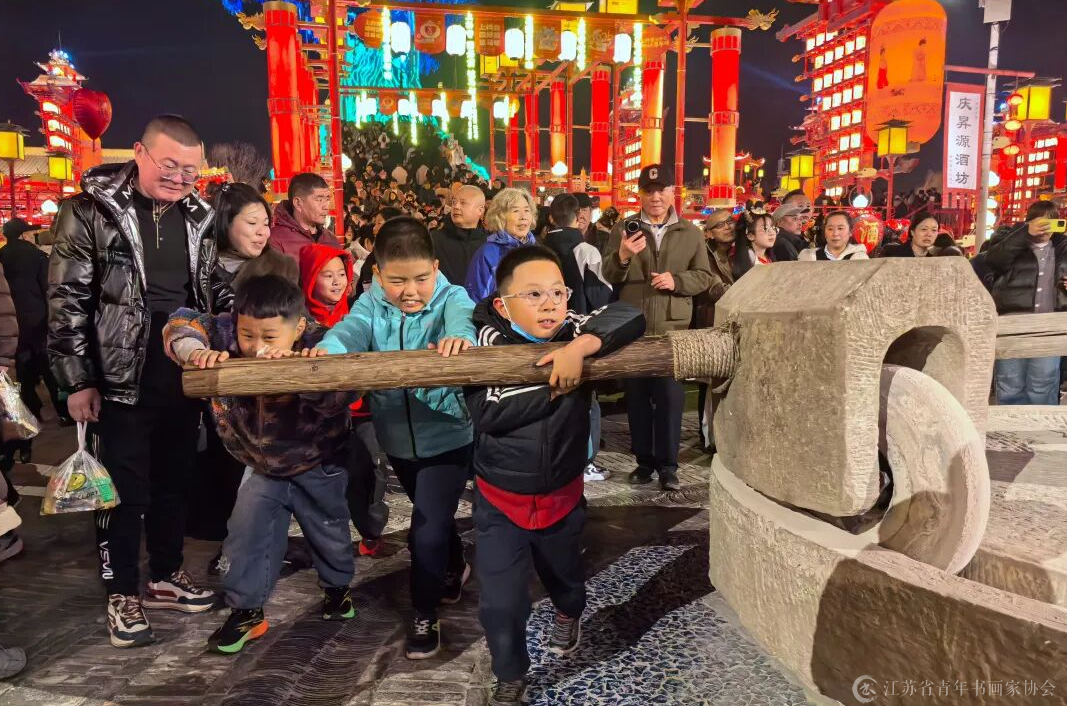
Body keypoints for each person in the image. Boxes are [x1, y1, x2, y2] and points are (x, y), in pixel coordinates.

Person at [48, 115, 217, 648]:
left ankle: (166, 573)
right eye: (169, 164)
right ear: (139, 153)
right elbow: (67, 301)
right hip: (118, 376)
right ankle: (121, 592)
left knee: (175, 481)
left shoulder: (200, 215)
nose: (178, 177)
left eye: (189, 170)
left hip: (182, 372)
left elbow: (210, 290)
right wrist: (77, 380)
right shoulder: (89, 211)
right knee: (122, 492)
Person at [465, 245, 645, 705]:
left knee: (565, 577)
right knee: (501, 601)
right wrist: (561, 381)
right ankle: (510, 673)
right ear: (504, 304)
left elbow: (629, 314)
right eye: (533, 294)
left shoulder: (571, 328)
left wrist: (579, 348)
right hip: (501, 497)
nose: (549, 304)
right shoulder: (485, 340)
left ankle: (570, 612)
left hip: (562, 491)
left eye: (558, 292)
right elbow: (489, 412)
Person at [163, 275, 356, 654]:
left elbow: (346, 390)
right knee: (246, 534)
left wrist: (303, 374)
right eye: (247, 334)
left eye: (269, 337)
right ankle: (247, 610)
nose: (255, 346)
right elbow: (181, 322)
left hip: (318, 461)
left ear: (298, 328)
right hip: (259, 464)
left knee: (328, 530)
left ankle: (337, 587)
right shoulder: (223, 333)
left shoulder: (320, 342)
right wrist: (194, 351)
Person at [313, 217, 478, 659]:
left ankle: (424, 612)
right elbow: (350, 331)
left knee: (425, 528)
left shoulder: (452, 298)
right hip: (397, 438)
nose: (411, 291)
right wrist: (328, 351)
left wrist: (459, 340)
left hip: (447, 434)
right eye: (397, 281)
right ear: (378, 274)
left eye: (421, 278)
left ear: (436, 268)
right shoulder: (370, 302)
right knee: (433, 516)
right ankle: (454, 565)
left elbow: (463, 322)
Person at [602, 164, 713, 490]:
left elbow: (704, 276)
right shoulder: (624, 228)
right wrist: (623, 256)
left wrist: (676, 281)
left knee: (670, 400)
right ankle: (643, 462)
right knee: (636, 399)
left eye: (661, 190)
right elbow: (609, 274)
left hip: (671, 332)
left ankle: (668, 466)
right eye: (648, 191)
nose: (655, 197)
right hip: (633, 328)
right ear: (640, 194)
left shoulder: (690, 232)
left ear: (672, 192)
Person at [542, 194, 614, 482]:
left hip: (543, 334)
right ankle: (585, 463)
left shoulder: (538, 248)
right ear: (579, 217)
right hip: (578, 336)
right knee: (585, 400)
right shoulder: (586, 250)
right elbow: (600, 297)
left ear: (551, 218)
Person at [985, 201, 1067, 405]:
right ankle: (1009, 425)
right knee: (1010, 382)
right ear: (1029, 221)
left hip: (1049, 325)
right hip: (1013, 324)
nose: (1045, 226)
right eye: (1040, 221)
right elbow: (993, 260)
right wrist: (1024, 233)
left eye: (1051, 221)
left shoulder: (1063, 247)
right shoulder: (1009, 239)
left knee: (1044, 382)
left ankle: (1041, 424)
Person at [1, 218, 67, 446]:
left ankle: (31, 409)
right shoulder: (37, 256)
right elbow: (49, 288)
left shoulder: (2, 256)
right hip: (38, 318)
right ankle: (62, 411)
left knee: (23, 367)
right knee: (47, 365)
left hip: (13, 322)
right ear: (23, 235)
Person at [209, 182, 298, 312]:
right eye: (252, 222)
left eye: (266, 224)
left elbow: (295, 316)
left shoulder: (282, 268)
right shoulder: (198, 266)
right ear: (225, 222)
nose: (263, 232)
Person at [692, 209, 735, 451]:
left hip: (733, 324)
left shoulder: (740, 252)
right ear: (708, 233)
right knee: (709, 382)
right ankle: (708, 437)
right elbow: (715, 290)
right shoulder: (706, 257)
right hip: (711, 322)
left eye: (730, 221)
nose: (728, 227)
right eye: (720, 225)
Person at [465, 188, 537, 303]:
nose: (523, 216)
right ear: (500, 217)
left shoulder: (538, 252)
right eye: (516, 211)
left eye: (527, 210)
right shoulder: (487, 253)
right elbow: (477, 300)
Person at [269, 172, 340, 261]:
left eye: (327, 199)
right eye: (319, 200)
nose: (326, 207)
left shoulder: (331, 239)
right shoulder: (275, 239)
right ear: (298, 203)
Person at [431, 185, 487, 287]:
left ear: (480, 210)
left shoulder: (489, 243)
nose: (456, 207)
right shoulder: (433, 240)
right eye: (454, 202)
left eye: (463, 203)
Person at [799, 211, 869, 261]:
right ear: (825, 232)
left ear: (850, 232)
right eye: (830, 229)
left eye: (840, 228)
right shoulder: (809, 258)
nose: (835, 233)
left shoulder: (860, 259)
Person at [733, 212, 778, 279]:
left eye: (773, 227)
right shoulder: (749, 260)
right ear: (750, 236)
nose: (772, 233)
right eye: (765, 228)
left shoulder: (769, 257)